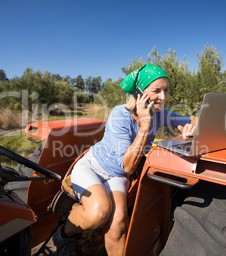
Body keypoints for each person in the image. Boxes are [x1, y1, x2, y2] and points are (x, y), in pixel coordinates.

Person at [53, 64, 196, 256]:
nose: (164, 97)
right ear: (139, 93)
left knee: (119, 223)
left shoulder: (159, 114)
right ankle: (63, 234)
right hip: (93, 167)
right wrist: (145, 127)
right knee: (99, 212)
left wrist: (192, 128)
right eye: (157, 91)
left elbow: (192, 120)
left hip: (117, 175)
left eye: (166, 90)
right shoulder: (120, 115)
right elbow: (128, 165)